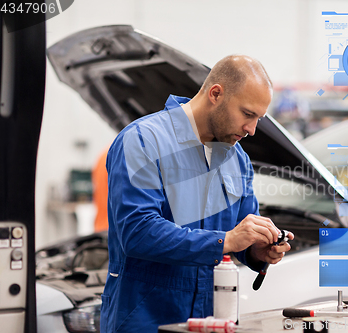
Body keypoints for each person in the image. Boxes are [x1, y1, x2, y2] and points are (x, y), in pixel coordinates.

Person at [100, 55, 294, 332]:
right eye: (247, 114)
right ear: (216, 94)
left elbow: (240, 233)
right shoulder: (143, 141)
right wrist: (225, 241)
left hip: (210, 320)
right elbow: (137, 232)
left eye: (258, 119)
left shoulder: (236, 158)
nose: (251, 130)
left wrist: (257, 250)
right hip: (144, 318)